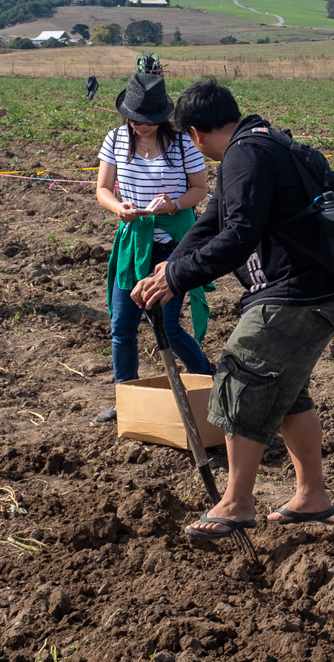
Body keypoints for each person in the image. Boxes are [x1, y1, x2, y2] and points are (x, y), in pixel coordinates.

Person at [132, 78, 334, 537]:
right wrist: (170, 267)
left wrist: (177, 278)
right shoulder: (261, 143)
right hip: (315, 291)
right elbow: (213, 221)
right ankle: (312, 495)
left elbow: (239, 234)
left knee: (239, 374)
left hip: (295, 295)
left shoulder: (246, 155)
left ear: (193, 133)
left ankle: (236, 502)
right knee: (288, 393)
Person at [93, 73, 213, 425]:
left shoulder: (181, 144)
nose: (140, 126)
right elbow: (102, 188)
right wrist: (118, 208)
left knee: (166, 325)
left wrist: (173, 205)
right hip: (133, 241)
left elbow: (200, 189)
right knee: (122, 324)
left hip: (171, 245)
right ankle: (124, 396)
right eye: (134, 118)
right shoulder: (115, 139)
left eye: (147, 120)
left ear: (163, 116)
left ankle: (208, 380)